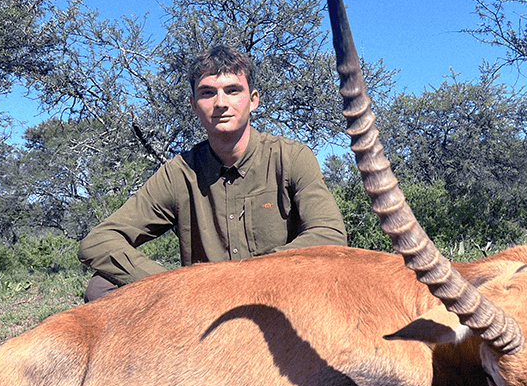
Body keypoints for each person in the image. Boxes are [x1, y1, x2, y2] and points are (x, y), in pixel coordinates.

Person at [78, 44, 348, 301]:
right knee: (102, 287)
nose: (221, 103)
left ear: (253, 100)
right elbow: (98, 241)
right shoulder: (180, 173)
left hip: (277, 297)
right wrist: (170, 284)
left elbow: (329, 234)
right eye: (207, 93)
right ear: (194, 104)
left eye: (233, 91)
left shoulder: (291, 157)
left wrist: (244, 276)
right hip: (204, 305)